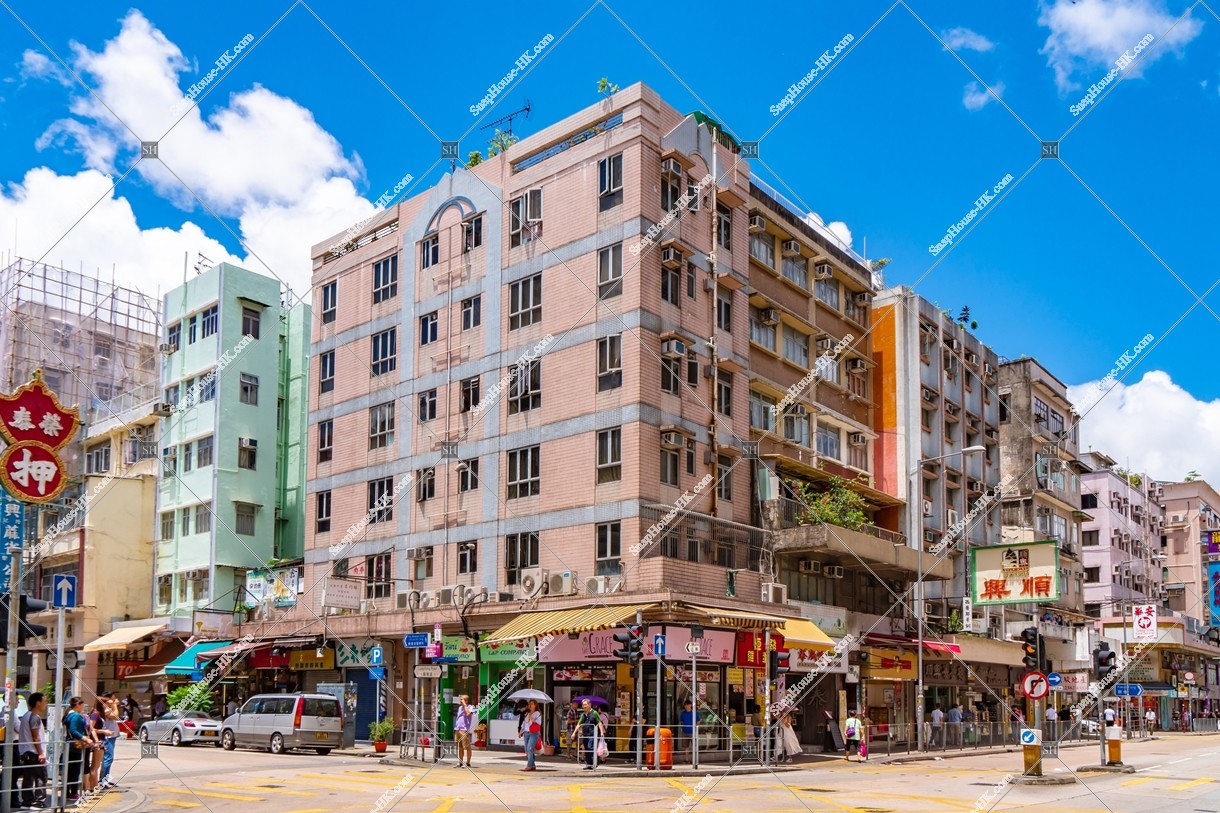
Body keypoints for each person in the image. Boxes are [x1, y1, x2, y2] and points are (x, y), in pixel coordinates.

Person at [64, 696, 99, 801]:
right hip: (76, 745)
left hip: (69, 744)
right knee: (74, 770)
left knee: (70, 770)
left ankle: (68, 791)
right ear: (78, 705)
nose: (83, 707)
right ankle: (73, 792)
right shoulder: (75, 716)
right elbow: (74, 731)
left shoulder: (68, 715)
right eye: (82, 704)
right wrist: (86, 739)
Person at [17, 692, 48, 809]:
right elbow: (36, 736)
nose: (45, 704)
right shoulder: (34, 717)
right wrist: (41, 752)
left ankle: (27, 801)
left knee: (28, 777)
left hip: (25, 752)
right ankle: (38, 802)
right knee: (41, 777)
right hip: (33, 752)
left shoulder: (26, 715)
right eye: (44, 701)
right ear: (37, 703)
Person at [577, 700, 605, 770]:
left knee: (590, 747)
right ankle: (588, 764)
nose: (584, 706)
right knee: (586, 749)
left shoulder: (594, 713)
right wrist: (575, 733)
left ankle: (595, 762)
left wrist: (601, 732)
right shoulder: (583, 714)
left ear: (589, 705)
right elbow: (579, 724)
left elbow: (599, 723)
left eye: (585, 704)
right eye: (583, 705)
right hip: (585, 735)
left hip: (593, 735)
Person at [519, 699, 542, 772]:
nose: (530, 705)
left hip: (533, 733)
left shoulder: (537, 713)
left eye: (531, 704)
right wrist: (521, 730)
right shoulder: (527, 713)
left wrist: (531, 718)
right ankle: (532, 765)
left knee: (530, 748)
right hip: (526, 733)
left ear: (535, 705)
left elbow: (539, 723)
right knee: (527, 750)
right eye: (529, 704)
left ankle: (529, 765)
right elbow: (524, 723)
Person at [454, 695, 475, 768]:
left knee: (467, 746)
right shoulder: (460, 708)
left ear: (466, 700)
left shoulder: (470, 707)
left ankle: (468, 762)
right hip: (458, 729)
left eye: (462, 699)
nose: (460, 701)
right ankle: (460, 762)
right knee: (460, 747)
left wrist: (465, 705)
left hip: (464, 729)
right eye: (460, 699)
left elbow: (468, 713)